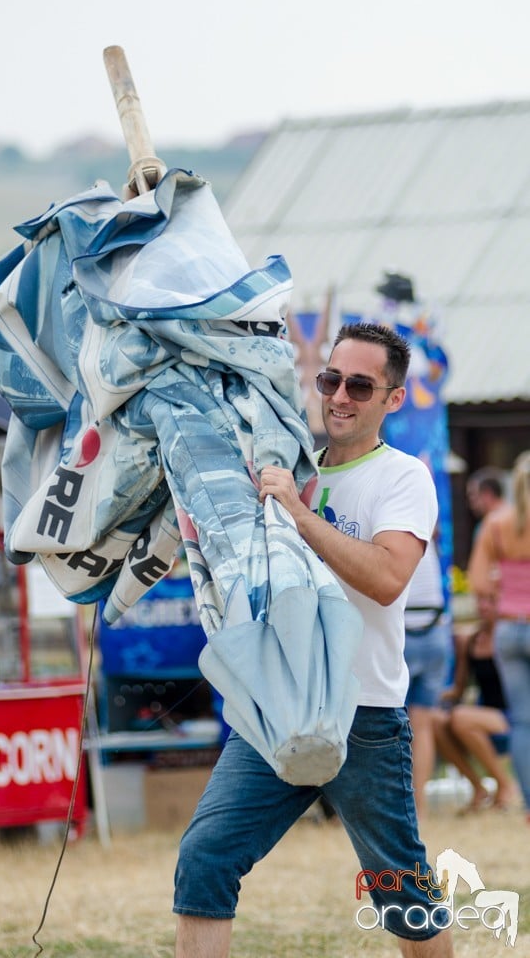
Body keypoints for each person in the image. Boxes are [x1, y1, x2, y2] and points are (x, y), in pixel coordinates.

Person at [173, 322, 453, 957]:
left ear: (393, 399)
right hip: (276, 706)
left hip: (363, 714)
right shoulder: (287, 466)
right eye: (331, 379)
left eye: (361, 384)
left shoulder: (403, 477)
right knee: (205, 859)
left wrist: (299, 516)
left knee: (401, 893)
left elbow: (386, 579)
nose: (340, 396)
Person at [468, 450, 530, 824]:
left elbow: (477, 582)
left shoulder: (497, 523)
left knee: (522, 721)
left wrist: (502, 590)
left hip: (508, 629)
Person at [431, 603, 516, 813]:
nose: (485, 606)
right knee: (434, 720)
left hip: (513, 713)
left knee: (460, 717)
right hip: (482, 714)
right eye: (481, 600)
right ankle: (478, 787)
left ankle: (505, 785)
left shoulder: (513, 639)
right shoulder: (470, 642)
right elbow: (458, 689)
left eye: (491, 600)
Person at [403, 541, 452, 817]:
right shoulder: (429, 542)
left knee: (386, 724)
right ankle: (418, 808)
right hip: (436, 631)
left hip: (403, 630)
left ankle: (400, 805)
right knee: (422, 727)